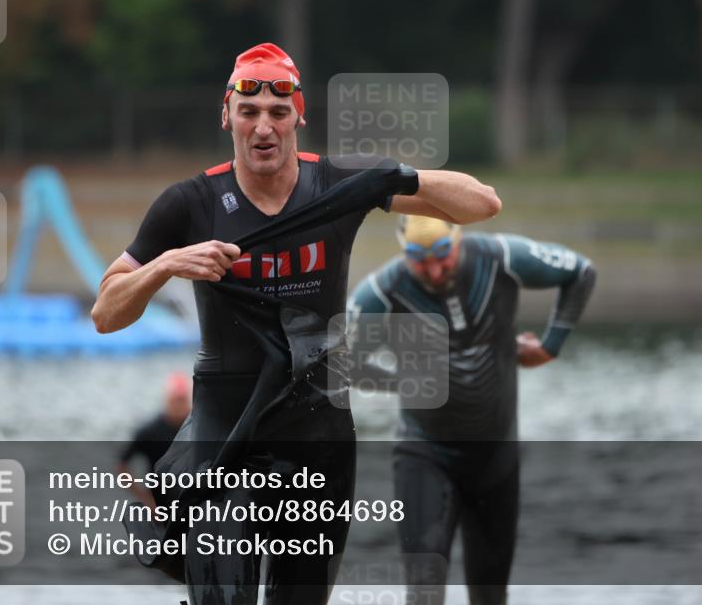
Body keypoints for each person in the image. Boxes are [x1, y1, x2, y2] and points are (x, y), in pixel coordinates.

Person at [90, 42, 501, 605]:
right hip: (225, 446)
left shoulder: (337, 185)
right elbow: (105, 314)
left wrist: (394, 177)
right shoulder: (189, 204)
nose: (264, 127)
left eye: (278, 113)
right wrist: (165, 265)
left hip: (319, 448)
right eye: (249, 112)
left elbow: (482, 204)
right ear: (227, 117)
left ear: (298, 118)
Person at [346, 215, 597, 605]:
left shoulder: (500, 257)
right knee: (424, 594)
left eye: (442, 255)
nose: (434, 270)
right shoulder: (382, 292)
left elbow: (581, 272)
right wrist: (403, 382)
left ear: (457, 239)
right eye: (419, 259)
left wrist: (550, 347)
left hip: (495, 457)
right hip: (425, 455)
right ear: (403, 251)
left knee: (490, 595)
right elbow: (337, 365)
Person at [116, 372, 193, 507]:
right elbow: (121, 465)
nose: (179, 406)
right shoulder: (150, 431)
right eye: (176, 401)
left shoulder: (199, 428)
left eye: (182, 401)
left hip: (192, 500)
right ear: (167, 400)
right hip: (158, 502)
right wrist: (145, 498)